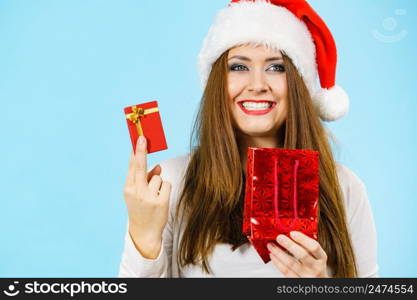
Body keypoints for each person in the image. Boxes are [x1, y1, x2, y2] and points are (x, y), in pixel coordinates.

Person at [118, 0, 378, 277]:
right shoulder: (170, 183)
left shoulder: (344, 187)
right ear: (217, 82)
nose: (257, 84)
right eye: (239, 67)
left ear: (299, 86)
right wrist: (144, 240)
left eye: (277, 68)